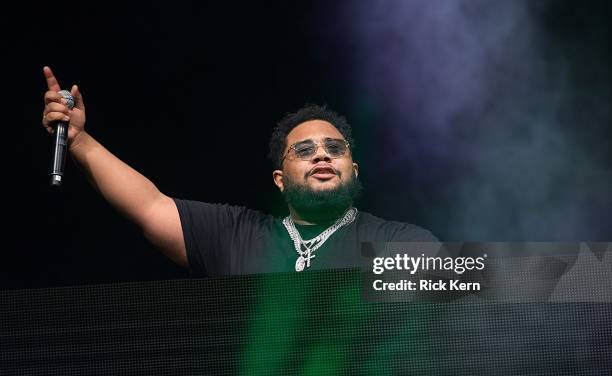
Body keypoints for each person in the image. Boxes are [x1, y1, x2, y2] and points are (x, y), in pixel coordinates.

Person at [41, 66, 436, 277]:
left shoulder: (396, 242)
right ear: (280, 179)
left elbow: (478, 294)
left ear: (352, 168)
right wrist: (79, 141)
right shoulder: (238, 235)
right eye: (304, 149)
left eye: (335, 149)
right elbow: (148, 207)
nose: (322, 156)